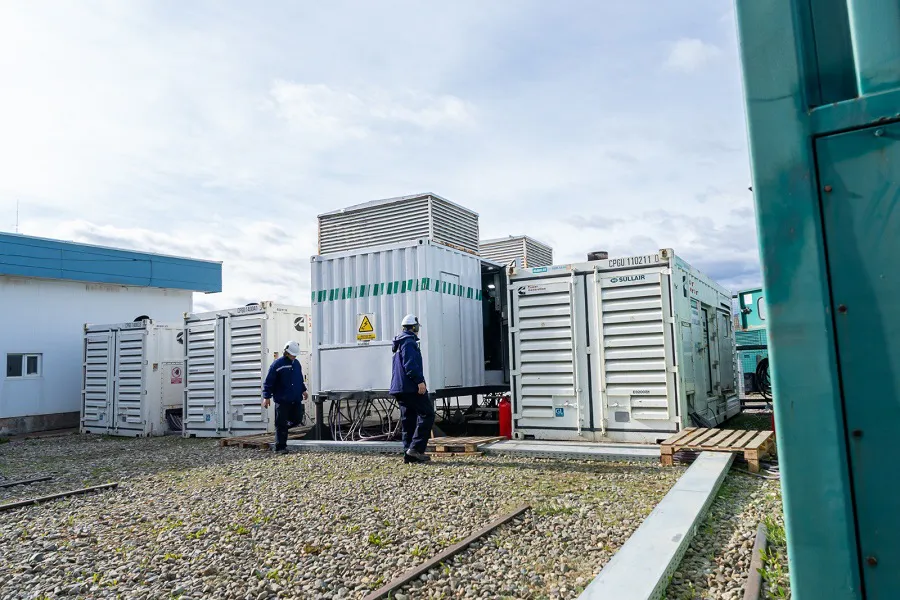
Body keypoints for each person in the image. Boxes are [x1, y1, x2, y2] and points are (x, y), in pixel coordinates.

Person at [390, 314, 435, 464]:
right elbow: (410, 365)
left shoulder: (399, 343)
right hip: (410, 387)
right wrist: (420, 381)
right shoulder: (408, 342)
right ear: (414, 328)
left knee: (408, 420)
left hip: (399, 388)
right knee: (427, 414)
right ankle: (415, 449)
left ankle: (408, 453)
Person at [262, 340, 308, 453]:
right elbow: (269, 382)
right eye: (293, 354)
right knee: (281, 424)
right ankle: (280, 447)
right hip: (282, 400)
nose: (294, 356)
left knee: (297, 419)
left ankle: (282, 429)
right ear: (286, 352)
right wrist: (266, 396)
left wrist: (303, 390)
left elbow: (299, 379)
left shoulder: (297, 364)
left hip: (295, 398)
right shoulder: (277, 365)